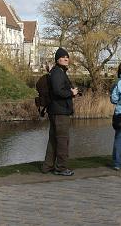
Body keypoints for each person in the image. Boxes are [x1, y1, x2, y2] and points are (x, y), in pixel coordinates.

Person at [41, 47, 80, 176]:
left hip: (56, 110)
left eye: (67, 57)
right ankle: (61, 168)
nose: (66, 59)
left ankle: (47, 166)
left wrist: (73, 92)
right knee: (63, 140)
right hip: (60, 111)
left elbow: (60, 90)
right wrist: (71, 93)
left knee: (53, 140)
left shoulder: (58, 71)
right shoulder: (58, 72)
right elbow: (58, 91)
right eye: (63, 57)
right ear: (57, 59)